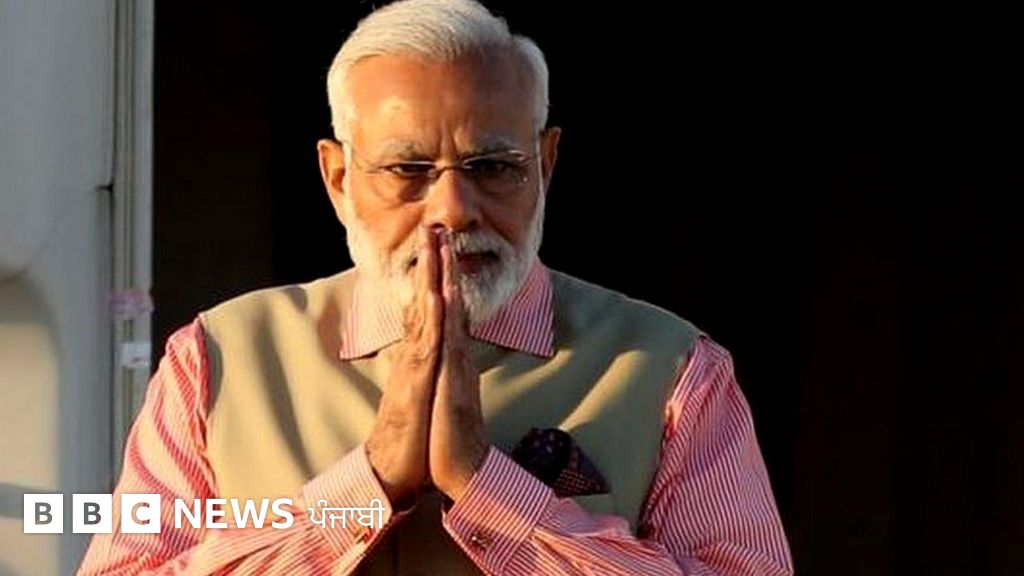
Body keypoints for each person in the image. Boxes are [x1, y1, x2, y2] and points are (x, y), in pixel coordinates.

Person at [79, 0, 793, 573]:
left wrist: (488, 485)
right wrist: (366, 486)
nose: (452, 210)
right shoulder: (221, 359)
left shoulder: (671, 371)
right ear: (338, 178)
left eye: (493, 167)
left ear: (544, 166)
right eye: (409, 171)